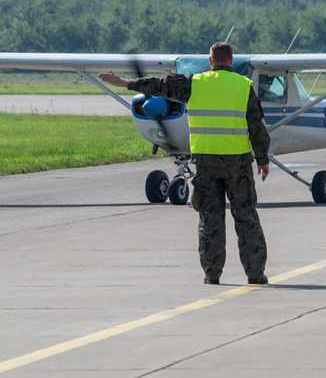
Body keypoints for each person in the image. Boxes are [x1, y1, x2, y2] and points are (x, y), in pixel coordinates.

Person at [99, 42, 271, 285]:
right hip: (238, 164)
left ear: (210, 62)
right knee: (246, 217)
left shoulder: (195, 83)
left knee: (209, 219)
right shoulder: (244, 86)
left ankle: (212, 274)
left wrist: (124, 83)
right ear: (231, 61)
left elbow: (159, 86)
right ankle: (255, 274)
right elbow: (257, 127)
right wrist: (262, 159)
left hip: (206, 163)